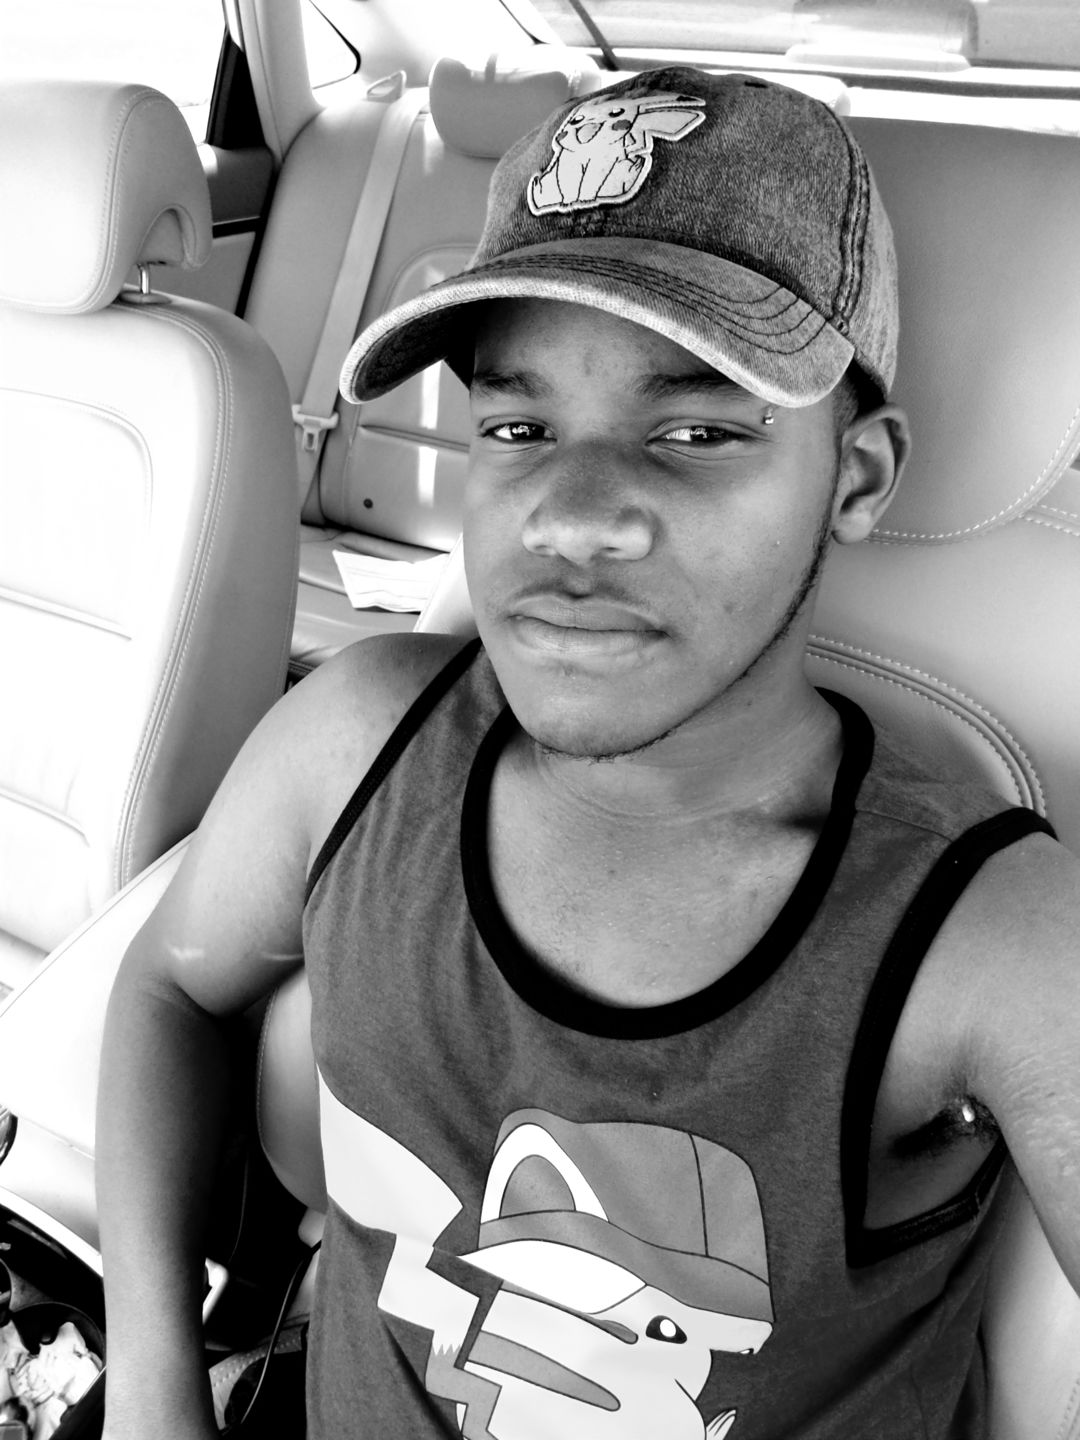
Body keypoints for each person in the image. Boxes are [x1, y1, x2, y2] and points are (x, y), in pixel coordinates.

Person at [96, 66, 1080, 1440]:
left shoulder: (985, 936)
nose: (571, 516)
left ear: (856, 476)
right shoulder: (355, 742)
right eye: (518, 427)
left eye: (696, 431)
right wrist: (152, 1385)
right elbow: (170, 992)